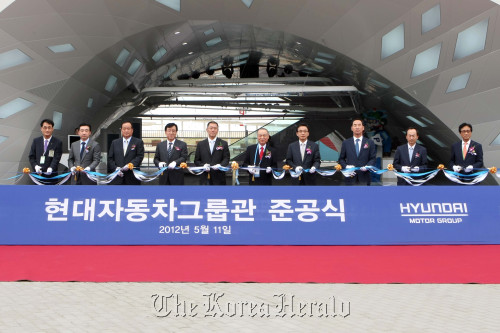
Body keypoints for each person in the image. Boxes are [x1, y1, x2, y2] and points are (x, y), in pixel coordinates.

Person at [338, 118, 376, 185]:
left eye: (359, 125)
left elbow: (373, 158)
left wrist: (368, 166)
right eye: (355, 125)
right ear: (351, 128)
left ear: (363, 128)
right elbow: (341, 159)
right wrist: (346, 167)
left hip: (364, 176)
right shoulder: (346, 143)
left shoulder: (370, 142)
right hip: (350, 176)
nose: (357, 127)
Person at [107, 120, 145, 185]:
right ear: (121, 130)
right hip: (117, 177)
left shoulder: (138, 142)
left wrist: (130, 165)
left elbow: (140, 156)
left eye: (128, 129)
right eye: (124, 129)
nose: (126, 131)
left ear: (132, 130)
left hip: (132, 176)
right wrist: (115, 168)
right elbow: (110, 158)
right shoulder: (115, 142)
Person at [194, 121, 230, 185]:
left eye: (215, 128)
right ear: (207, 130)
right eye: (211, 128)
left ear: (217, 130)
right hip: (204, 177)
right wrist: (203, 165)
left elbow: (226, 158)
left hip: (219, 176)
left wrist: (220, 165)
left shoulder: (224, 143)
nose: (213, 130)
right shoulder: (201, 144)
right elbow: (196, 160)